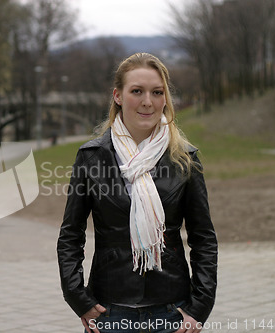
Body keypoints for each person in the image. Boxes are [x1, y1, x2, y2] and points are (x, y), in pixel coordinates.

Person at [57, 53, 217, 333]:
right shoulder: (92, 157)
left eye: (157, 92)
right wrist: (78, 299)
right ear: (118, 96)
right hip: (109, 311)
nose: (148, 102)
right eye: (137, 91)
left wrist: (199, 307)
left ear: (165, 98)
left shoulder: (185, 159)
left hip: (172, 311)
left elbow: (203, 238)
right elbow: (71, 235)